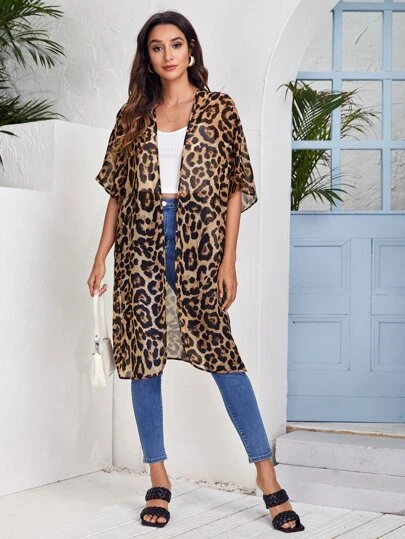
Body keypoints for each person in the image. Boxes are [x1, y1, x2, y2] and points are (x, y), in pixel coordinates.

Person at [87, 10, 304, 534]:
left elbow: (235, 187)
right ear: (147, 57)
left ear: (191, 50)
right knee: (144, 361)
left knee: (224, 359)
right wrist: (100, 256)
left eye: (176, 44)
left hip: (201, 243)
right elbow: (116, 191)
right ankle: (158, 479)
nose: (167, 55)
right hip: (138, 243)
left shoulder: (218, 109)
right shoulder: (132, 115)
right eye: (157, 47)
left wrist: (229, 259)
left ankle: (267, 478)